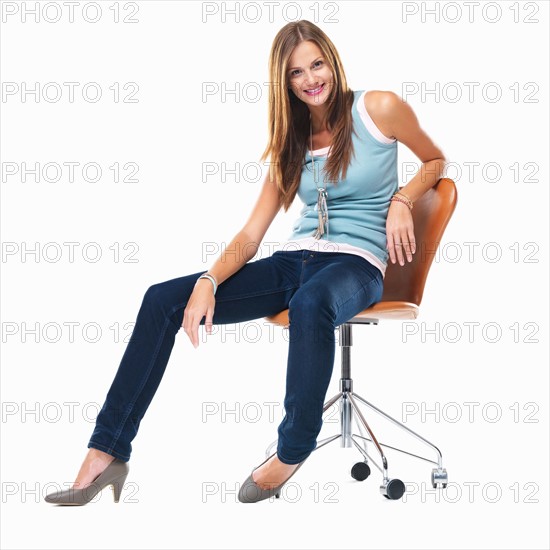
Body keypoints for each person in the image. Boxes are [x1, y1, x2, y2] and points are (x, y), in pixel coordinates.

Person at [45, 19, 446, 505]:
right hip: (295, 261)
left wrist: (403, 199)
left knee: (312, 300)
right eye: (296, 73)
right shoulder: (290, 141)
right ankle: (106, 451)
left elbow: (435, 161)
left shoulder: (378, 108)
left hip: (357, 266)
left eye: (317, 64)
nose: (311, 79)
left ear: (333, 62)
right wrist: (210, 279)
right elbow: (252, 233)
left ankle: (293, 448)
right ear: (285, 82)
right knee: (160, 300)